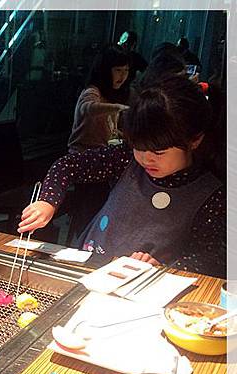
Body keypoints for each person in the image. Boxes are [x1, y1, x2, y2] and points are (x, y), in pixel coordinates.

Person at [18, 75, 225, 279]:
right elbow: (67, 165)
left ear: (195, 140)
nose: (146, 159)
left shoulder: (210, 194)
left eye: (158, 152)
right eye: (138, 147)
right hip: (88, 265)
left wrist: (164, 268)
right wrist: (48, 201)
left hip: (142, 284)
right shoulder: (127, 159)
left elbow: (211, 258)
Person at [67, 46, 130, 153]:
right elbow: (86, 108)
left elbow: (110, 135)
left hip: (101, 153)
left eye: (126, 70)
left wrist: (126, 139)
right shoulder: (92, 91)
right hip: (82, 154)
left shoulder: (111, 95)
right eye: (118, 70)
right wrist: (119, 108)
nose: (123, 75)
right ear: (105, 71)